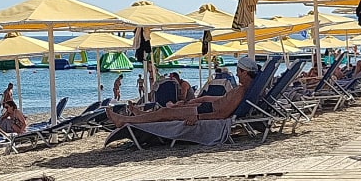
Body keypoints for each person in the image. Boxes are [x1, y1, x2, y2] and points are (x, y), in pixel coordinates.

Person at [107, 56, 257, 127]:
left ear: (245, 72)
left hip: (205, 112)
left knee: (165, 113)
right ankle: (141, 115)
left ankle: (125, 120)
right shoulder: (242, 89)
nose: (236, 74)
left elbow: (222, 114)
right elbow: (221, 101)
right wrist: (200, 99)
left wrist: (197, 117)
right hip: (205, 107)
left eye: (238, 71)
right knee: (167, 111)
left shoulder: (241, 92)